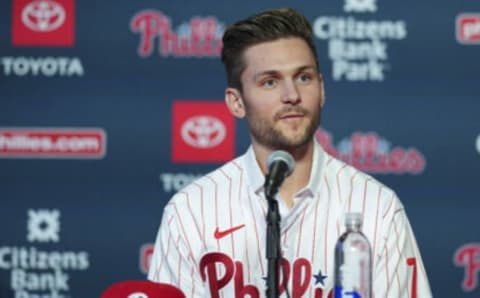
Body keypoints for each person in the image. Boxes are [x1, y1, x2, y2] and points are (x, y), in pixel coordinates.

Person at [148, 7, 432, 297]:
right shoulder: (191, 212)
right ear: (236, 102)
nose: (291, 95)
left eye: (304, 77)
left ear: (321, 89)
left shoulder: (378, 208)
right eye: (270, 82)